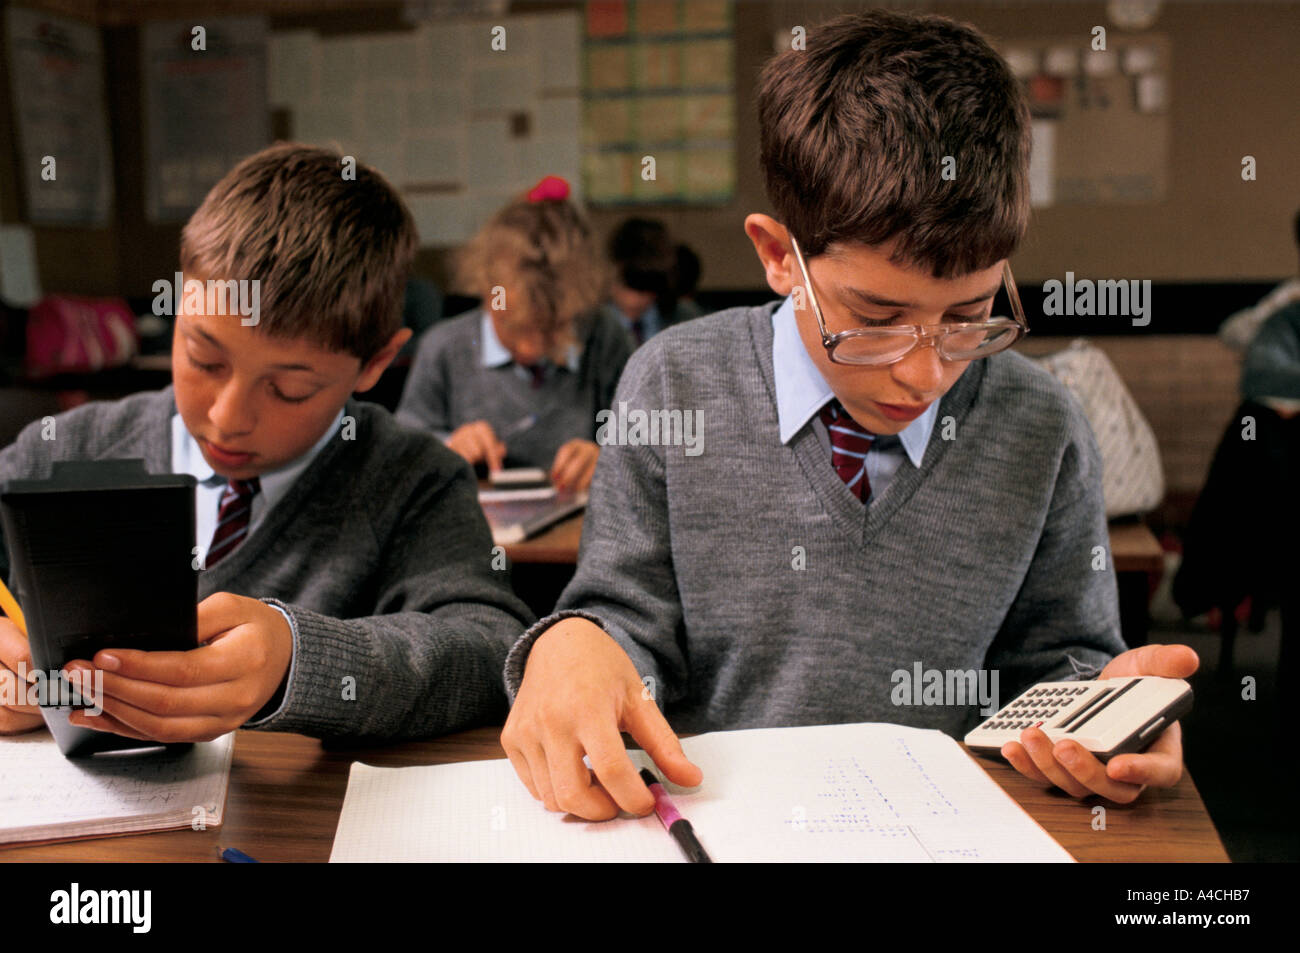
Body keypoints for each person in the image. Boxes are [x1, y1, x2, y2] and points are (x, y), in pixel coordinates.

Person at [500, 10, 1198, 821]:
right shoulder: (673, 384)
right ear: (776, 257)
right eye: (873, 318)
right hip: (713, 820)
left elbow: (1058, 658)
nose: (924, 371)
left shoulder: (1041, 427)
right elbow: (627, 622)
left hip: (948, 827)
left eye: (970, 315)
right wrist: (575, 641)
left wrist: (1100, 713)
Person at [0, 143, 533, 742]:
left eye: (287, 390)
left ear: (375, 364)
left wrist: (298, 664)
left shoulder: (411, 479)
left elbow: (491, 651)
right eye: (203, 359)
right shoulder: (63, 450)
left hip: (284, 830)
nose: (228, 419)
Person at [396, 176, 633, 493]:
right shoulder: (444, 348)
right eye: (513, 326)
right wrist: (448, 445)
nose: (531, 348)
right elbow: (402, 450)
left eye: (552, 328)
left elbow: (651, 442)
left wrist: (609, 458)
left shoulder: (604, 337)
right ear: (486, 290)